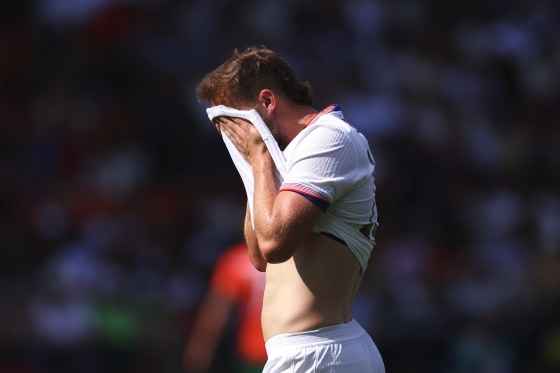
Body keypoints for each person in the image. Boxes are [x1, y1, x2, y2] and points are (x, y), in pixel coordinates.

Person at [195, 45, 385, 372]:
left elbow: (274, 245)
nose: (232, 135)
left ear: (267, 102)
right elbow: (258, 256)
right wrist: (251, 162)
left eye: (235, 121)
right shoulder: (293, 156)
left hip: (316, 353)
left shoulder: (328, 138)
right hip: (316, 353)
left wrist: (258, 156)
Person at [183, 241, 267, 373]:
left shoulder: (238, 259)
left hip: (254, 350)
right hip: (292, 347)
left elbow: (215, 313)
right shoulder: (294, 255)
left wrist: (201, 347)